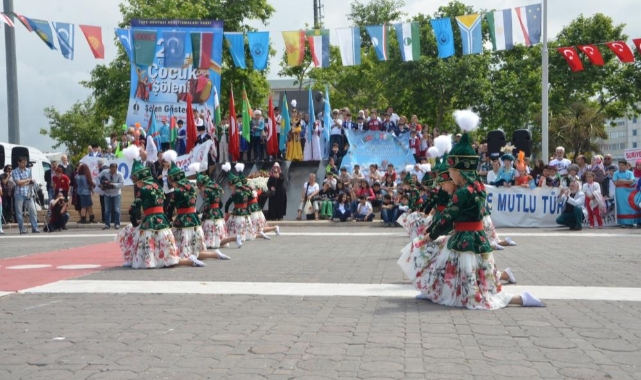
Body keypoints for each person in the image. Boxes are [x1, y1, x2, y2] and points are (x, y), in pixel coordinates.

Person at [412, 109, 543, 309]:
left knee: (470, 286)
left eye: (452, 172)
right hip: (474, 237)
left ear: (460, 171)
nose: (451, 176)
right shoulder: (476, 187)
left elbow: (449, 216)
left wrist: (431, 234)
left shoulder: (463, 192)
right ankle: (433, 292)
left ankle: (520, 299)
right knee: (460, 272)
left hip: (466, 239)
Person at [121, 145, 204, 268]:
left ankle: (148, 261)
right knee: (165, 249)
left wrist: (134, 222)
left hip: (150, 222)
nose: (136, 185)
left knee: (143, 243)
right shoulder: (158, 188)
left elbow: (133, 208)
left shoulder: (143, 190)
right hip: (163, 221)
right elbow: (167, 206)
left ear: (138, 179)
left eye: (135, 182)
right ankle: (188, 260)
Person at [169, 162, 230, 261]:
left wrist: (169, 218)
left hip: (183, 219)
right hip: (196, 218)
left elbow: (170, 207)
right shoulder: (192, 189)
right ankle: (215, 254)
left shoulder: (177, 191)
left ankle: (190, 259)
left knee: (182, 247)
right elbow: (221, 204)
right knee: (196, 246)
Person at [197, 169, 242, 250]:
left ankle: (211, 243)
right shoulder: (216, 189)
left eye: (200, 187)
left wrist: (203, 214)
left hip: (210, 214)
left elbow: (206, 204)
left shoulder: (207, 191)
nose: (201, 190)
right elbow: (220, 204)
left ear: (203, 185)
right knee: (220, 234)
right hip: (218, 212)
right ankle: (234, 238)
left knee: (211, 232)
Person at [223, 163, 253, 241]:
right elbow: (251, 197)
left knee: (236, 225)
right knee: (245, 224)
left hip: (238, 211)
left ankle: (238, 236)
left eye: (230, 187)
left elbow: (227, 203)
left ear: (233, 186)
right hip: (246, 211)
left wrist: (226, 212)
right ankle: (245, 235)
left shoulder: (235, 193)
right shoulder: (246, 190)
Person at [12, 156, 41, 234]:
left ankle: (35, 227)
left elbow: (30, 182)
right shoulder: (15, 171)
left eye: (25, 162)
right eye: (23, 162)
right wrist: (28, 180)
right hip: (19, 193)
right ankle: (22, 229)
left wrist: (27, 182)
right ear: (19, 162)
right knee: (19, 212)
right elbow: (18, 183)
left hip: (28, 193)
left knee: (33, 211)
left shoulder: (28, 170)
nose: (24, 164)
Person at [97, 163, 125, 230]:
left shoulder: (119, 174)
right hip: (107, 193)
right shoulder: (105, 172)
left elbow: (122, 184)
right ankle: (107, 224)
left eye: (114, 169)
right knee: (107, 210)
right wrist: (99, 184)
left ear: (116, 168)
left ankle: (117, 224)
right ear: (109, 168)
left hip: (116, 193)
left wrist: (113, 184)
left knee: (117, 209)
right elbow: (97, 177)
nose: (113, 170)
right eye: (111, 169)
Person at [613, 159, 638, 228]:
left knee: (629, 206)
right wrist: (626, 181)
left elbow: (632, 182)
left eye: (622, 165)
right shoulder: (616, 173)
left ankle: (630, 222)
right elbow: (615, 183)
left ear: (626, 166)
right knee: (621, 206)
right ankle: (622, 222)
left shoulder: (630, 173)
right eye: (619, 165)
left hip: (628, 192)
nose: (620, 167)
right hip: (620, 192)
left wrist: (621, 180)